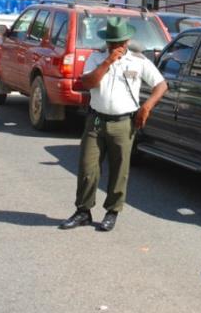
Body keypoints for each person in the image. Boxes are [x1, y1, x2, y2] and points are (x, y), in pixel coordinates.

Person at [59, 17, 168, 232]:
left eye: (119, 42)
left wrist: (147, 107)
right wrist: (108, 62)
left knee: (120, 170)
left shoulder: (138, 61)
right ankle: (83, 211)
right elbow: (87, 83)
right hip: (97, 120)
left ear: (127, 41)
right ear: (107, 42)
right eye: (112, 42)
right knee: (87, 168)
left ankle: (112, 212)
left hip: (123, 122)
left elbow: (161, 85)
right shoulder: (96, 58)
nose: (116, 46)